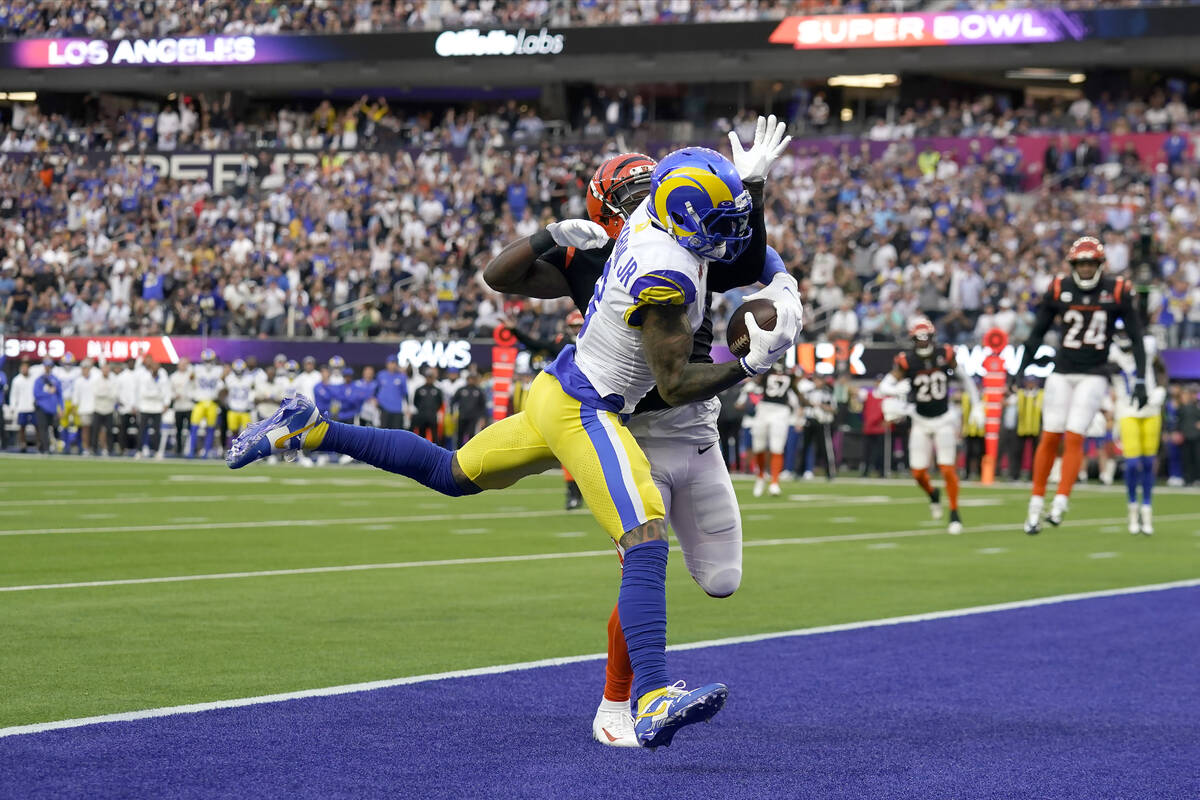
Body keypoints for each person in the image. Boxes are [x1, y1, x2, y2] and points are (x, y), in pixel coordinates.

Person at [228, 136, 800, 750]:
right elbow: (675, 380)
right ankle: (653, 693)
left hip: (558, 389)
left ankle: (313, 426)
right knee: (644, 537)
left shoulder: (646, 218)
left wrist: (752, 194)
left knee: (451, 471)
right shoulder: (664, 275)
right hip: (589, 407)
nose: (724, 235)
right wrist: (747, 366)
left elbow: (734, 249)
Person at [483, 141, 798, 745]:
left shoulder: (687, 245)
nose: (636, 203)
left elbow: (750, 253)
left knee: (722, 579)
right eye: (624, 195)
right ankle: (619, 704)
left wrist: (761, 222)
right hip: (626, 425)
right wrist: (552, 234)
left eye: (644, 190)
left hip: (694, 426)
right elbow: (501, 276)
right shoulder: (596, 258)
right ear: (602, 210)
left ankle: (637, 697)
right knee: (643, 558)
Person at [1014, 237, 1147, 534]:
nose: (1086, 269)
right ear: (1073, 265)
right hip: (1063, 369)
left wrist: (1140, 378)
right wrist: (1021, 368)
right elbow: (1037, 334)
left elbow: (1137, 337)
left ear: (1100, 264)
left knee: (1074, 435)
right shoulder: (1059, 288)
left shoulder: (1117, 290)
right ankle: (1035, 504)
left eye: (1090, 263)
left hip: (1095, 372)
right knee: (1050, 435)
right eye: (1081, 263)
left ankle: (1061, 500)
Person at [878, 316, 983, 534]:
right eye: (919, 339)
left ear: (932, 337)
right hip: (920, 418)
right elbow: (884, 386)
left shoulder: (945, 354)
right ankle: (933, 494)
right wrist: (897, 390)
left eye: (926, 339)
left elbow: (965, 378)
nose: (923, 343)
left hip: (944, 418)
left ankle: (954, 513)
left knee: (947, 468)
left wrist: (977, 405)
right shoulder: (906, 361)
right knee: (917, 473)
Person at [501, 311, 586, 509]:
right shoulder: (563, 343)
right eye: (574, 326)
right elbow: (537, 345)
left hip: (595, 396)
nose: (577, 329)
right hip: (570, 398)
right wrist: (516, 332)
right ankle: (573, 494)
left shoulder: (597, 339)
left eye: (579, 325)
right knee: (568, 449)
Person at [1112, 336, 1167, 534]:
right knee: (1133, 463)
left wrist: (1161, 388)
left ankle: (1147, 508)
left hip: (1150, 408)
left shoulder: (1148, 344)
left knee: (1148, 462)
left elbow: (1161, 368)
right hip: (1127, 409)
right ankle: (1132, 507)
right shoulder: (1112, 351)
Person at [749, 362, 799, 496]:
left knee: (777, 447)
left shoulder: (789, 374)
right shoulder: (766, 367)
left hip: (780, 411)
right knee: (758, 447)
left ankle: (774, 482)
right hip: (764, 409)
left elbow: (797, 393)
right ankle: (760, 477)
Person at [133, 355, 171, 459]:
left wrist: (166, 403)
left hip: (157, 407)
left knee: (156, 431)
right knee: (142, 430)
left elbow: (166, 390)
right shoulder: (143, 375)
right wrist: (136, 404)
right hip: (145, 406)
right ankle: (139, 451)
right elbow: (143, 392)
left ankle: (156, 451)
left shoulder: (163, 374)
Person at [189, 349, 225, 459]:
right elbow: (190, 378)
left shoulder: (219, 369)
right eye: (206, 360)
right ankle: (191, 451)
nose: (208, 362)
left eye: (210, 360)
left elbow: (225, 375)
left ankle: (206, 452)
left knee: (210, 429)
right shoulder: (197, 369)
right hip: (199, 401)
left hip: (212, 402)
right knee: (194, 427)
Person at [33, 362, 63, 454]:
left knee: (55, 428)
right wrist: (48, 392)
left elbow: (59, 395)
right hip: (42, 407)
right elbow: (36, 394)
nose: (48, 368)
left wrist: (61, 408)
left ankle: (57, 447)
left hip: (53, 408)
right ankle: (45, 448)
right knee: (43, 428)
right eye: (46, 366)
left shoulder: (55, 380)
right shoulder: (39, 380)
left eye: (49, 366)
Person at [451, 372, 488, 447]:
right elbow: (453, 402)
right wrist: (452, 414)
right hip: (462, 416)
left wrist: (483, 418)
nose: (472, 380)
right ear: (467, 379)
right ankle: (457, 452)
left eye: (473, 379)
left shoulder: (479, 391)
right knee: (459, 435)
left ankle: (469, 453)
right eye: (470, 378)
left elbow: (483, 406)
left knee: (472, 436)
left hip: (473, 418)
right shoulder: (461, 390)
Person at [225, 359, 255, 444]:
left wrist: (250, 404)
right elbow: (225, 391)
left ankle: (244, 451)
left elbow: (253, 392)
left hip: (245, 409)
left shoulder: (249, 378)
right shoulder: (229, 378)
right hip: (233, 408)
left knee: (247, 433)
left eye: (240, 370)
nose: (239, 372)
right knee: (232, 431)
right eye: (237, 371)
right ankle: (231, 449)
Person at [91, 361, 118, 456]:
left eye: (107, 369)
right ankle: (94, 449)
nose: (106, 371)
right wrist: (106, 393)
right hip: (98, 409)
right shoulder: (97, 380)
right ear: (102, 370)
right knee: (95, 430)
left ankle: (110, 449)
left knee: (110, 431)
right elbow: (96, 393)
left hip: (109, 410)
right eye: (104, 369)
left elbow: (114, 395)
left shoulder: (113, 381)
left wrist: (104, 393)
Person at [410, 367, 444, 443]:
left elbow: (440, 403)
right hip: (422, 416)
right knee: (422, 436)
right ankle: (423, 453)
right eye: (428, 377)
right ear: (425, 377)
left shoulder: (437, 390)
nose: (429, 379)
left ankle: (436, 453)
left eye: (431, 377)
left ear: (433, 378)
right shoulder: (419, 389)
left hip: (432, 416)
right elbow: (415, 402)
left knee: (435, 436)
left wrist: (433, 410)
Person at [376, 356, 409, 430]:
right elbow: (376, 390)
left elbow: (405, 393)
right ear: (387, 364)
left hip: (397, 409)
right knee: (383, 432)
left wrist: (407, 407)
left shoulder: (402, 376)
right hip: (383, 408)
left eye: (394, 363)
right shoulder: (381, 375)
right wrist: (375, 400)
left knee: (396, 432)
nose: (392, 365)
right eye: (390, 363)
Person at [170, 358, 194, 457]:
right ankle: (179, 449)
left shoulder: (190, 375)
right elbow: (169, 391)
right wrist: (174, 396)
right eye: (181, 364)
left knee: (191, 429)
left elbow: (194, 387)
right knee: (178, 429)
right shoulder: (173, 377)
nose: (183, 366)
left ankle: (190, 449)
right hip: (178, 406)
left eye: (185, 364)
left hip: (189, 406)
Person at [72, 359, 97, 455]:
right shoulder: (78, 381)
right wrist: (75, 406)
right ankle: (85, 448)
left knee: (95, 430)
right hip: (83, 408)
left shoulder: (95, 379)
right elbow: (75, 395)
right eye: (83, 368)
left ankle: (94, 447)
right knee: (85, 429)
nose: (85, 370)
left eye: (87, 368)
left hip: (94, 408)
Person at [11, 360, 36, 453]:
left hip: (32, 407)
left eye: (26, 368)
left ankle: (39, 445)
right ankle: (23, 445)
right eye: (23, 368)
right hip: (21, 407)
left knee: (37, 426)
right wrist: (13, 406)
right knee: (22, 427)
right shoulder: (17, 380)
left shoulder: (33, 379)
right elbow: (14, 394)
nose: (25, 369)